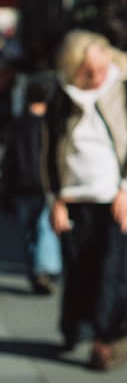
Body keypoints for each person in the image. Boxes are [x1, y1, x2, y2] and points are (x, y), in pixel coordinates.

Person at [42, 30, 127, 371]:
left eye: (101, 68)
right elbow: (49, 147)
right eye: (89, 71)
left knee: (111, 269)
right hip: (73, 195)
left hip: (113, 193)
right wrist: (55, 199)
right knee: (79, 269)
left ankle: (108, 338)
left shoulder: (126, 81)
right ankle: (76, 326)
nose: (97, 76)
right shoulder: (61, 91)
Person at [0, 78, 61, 293]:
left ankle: (36, 272)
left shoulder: (18, 124)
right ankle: (44, 269)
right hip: (43, 184)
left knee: (28, 232)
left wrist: (6, 187)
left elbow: (9, 160)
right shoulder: (49, 125)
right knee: (45, 228)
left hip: (21, 186)